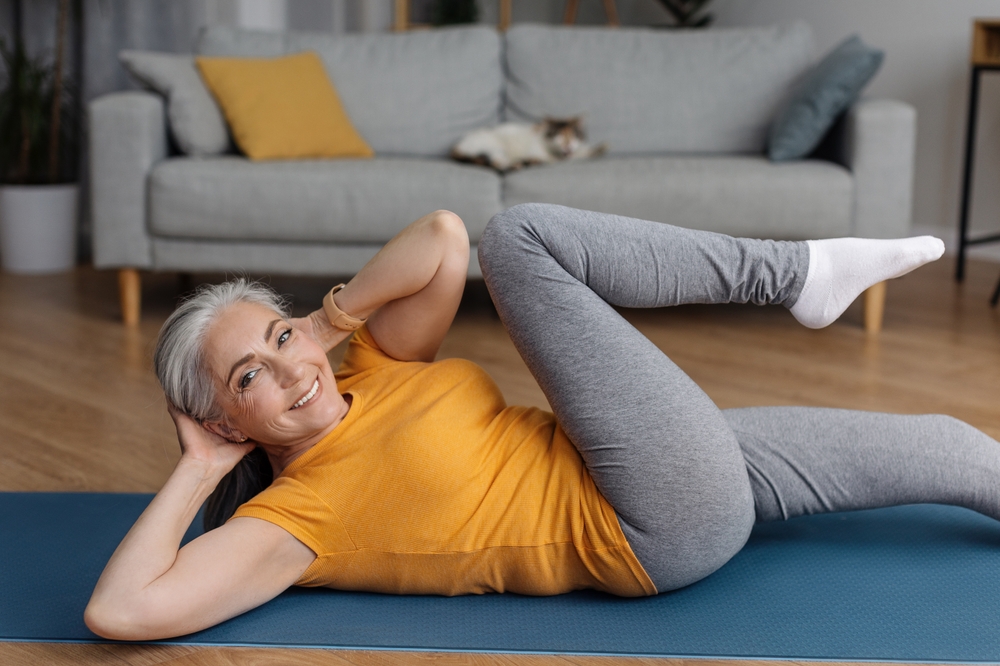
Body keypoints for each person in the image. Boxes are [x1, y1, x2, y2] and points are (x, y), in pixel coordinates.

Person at [85, 204, 998, 642]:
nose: (292, 369)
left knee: (951, 448)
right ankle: (790, 277)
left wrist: (320, 325)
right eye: (252, 374)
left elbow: (438, 238)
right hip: (645, 520)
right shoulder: (293, 522)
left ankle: (803, 281)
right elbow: (120, 610)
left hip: (645, 460)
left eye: (281, 336)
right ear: (223, 417)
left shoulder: (374, 364)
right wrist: (202, 468)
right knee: (519, 240)